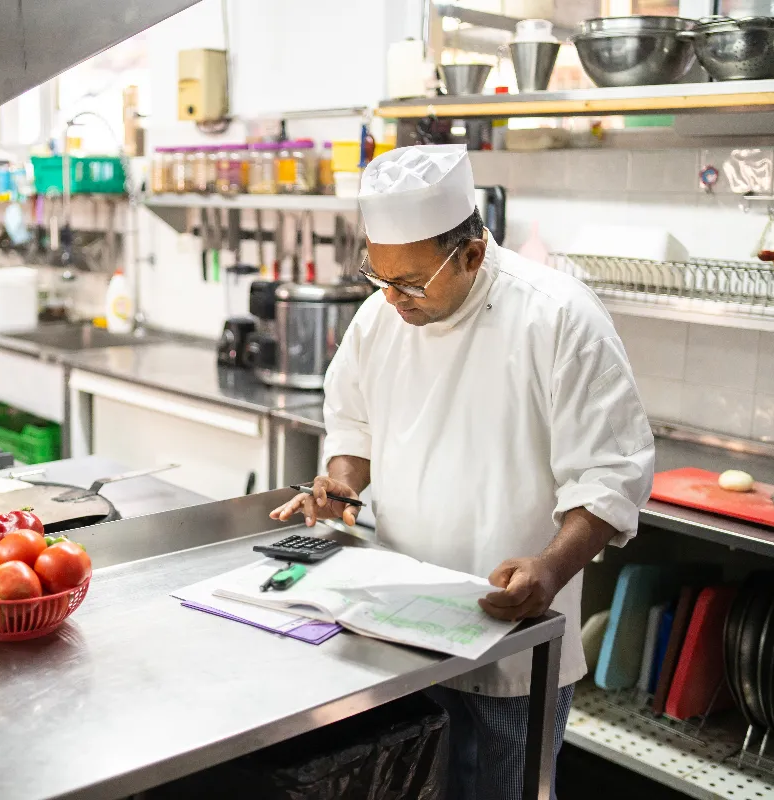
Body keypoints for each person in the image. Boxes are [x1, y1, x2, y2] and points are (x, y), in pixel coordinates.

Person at [269, 144, 655, 800]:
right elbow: (354, 425)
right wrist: (340, 482)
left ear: (472, 254)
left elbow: (610, 473)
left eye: (413, 283)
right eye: (380, 278)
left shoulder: (559, 319)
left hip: (513, 643)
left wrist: (552, 569)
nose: (393, 299)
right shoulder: (379, 319)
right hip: (394, 632)